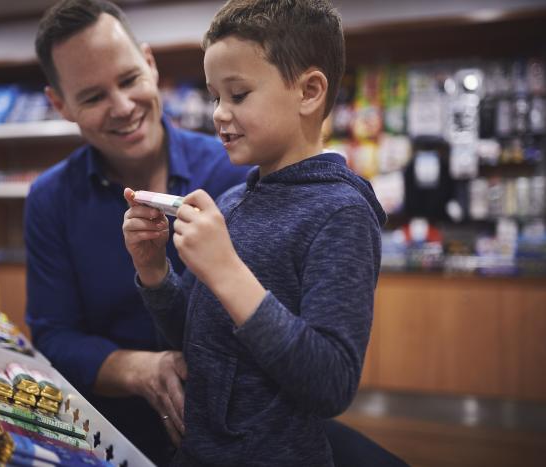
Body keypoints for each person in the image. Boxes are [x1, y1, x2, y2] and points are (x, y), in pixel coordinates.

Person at [122, 0, 387, 465]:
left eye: (238, 94)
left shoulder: (341, 213)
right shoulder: (233, 201)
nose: (220, 114)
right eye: (214, 97)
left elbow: (331, 384)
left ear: (309, 91)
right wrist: (156, 272)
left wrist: (227, 272)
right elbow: (199, 344)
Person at [25, 0, 249, 464]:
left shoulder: (233, 170)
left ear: (149, 63)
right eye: (92, 97)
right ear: (60, 105)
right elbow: (54, 335)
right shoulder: (50, 200)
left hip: (241, 420)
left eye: (128, 80)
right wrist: (142, 369)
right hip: (109, 428)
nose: (122, 107)